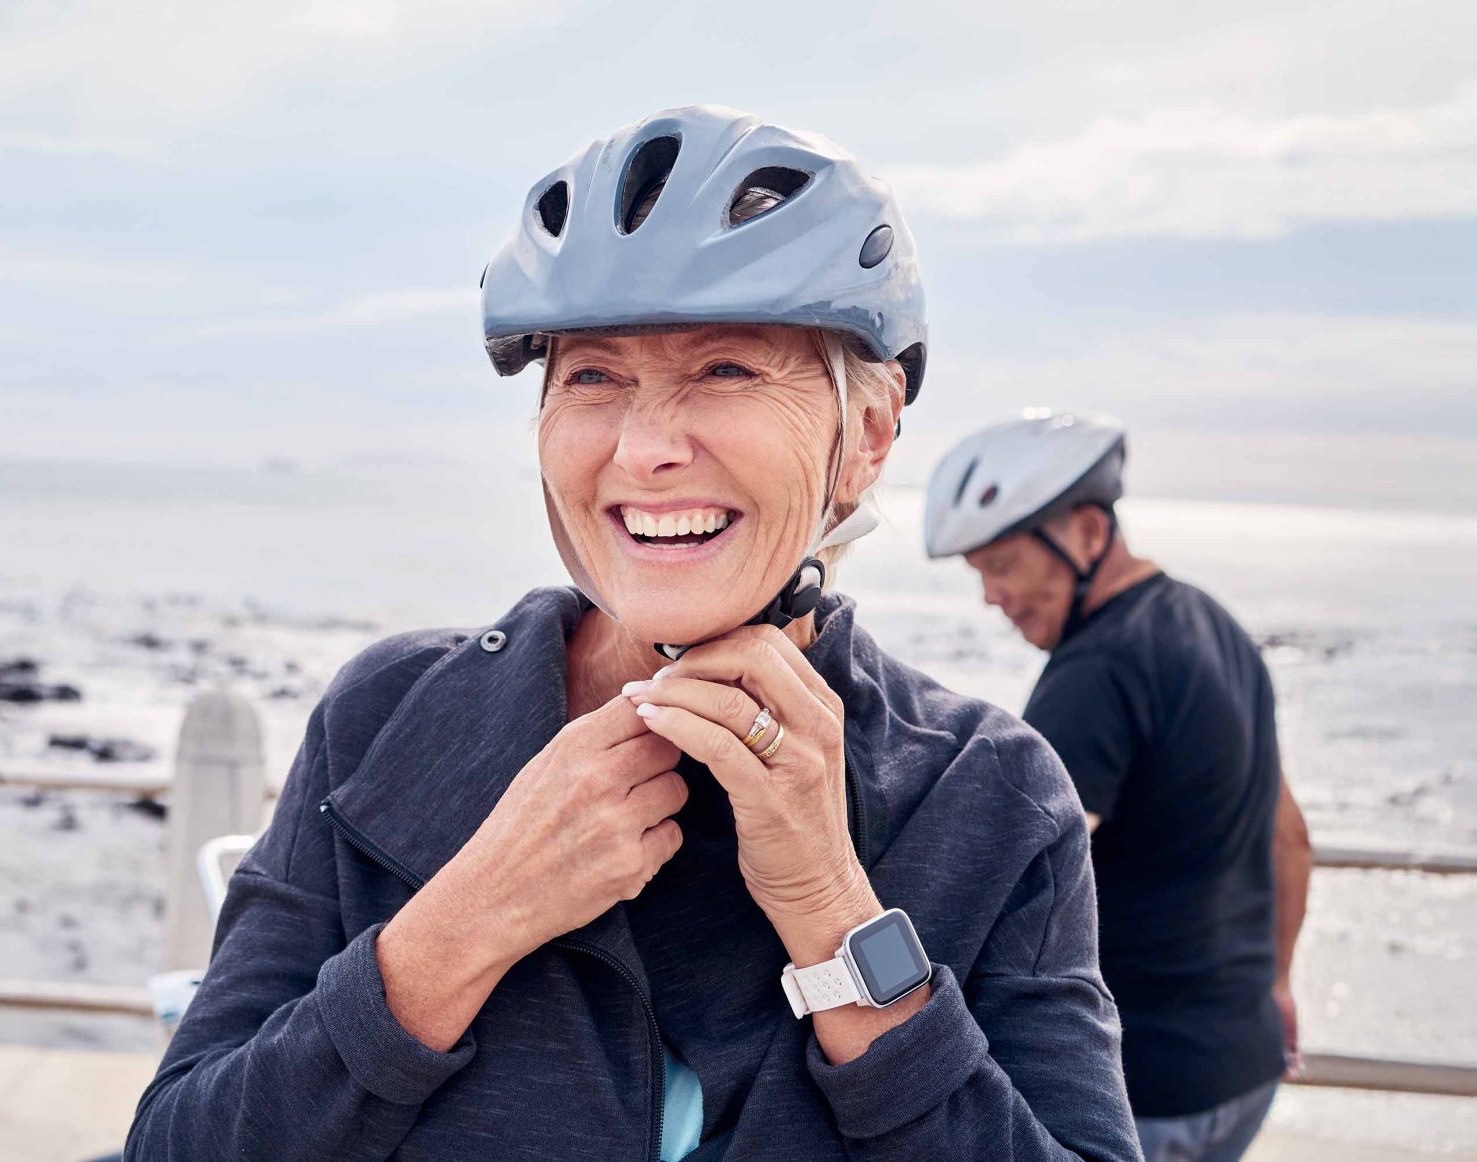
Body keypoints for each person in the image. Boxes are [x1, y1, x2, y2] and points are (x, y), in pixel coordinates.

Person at [124, 106, 1140, 1160]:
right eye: (594, 377)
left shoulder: (987, 792)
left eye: (726, 370)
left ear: (866, 435)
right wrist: (466, 916)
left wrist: (832, 910)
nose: (647, 448)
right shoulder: (386, 717)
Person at [924, 411, 1314, 1162]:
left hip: (1147, 1090)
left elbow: (1002, 878)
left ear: (1088, 534)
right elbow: (1289, 835)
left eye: (1002, 564)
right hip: (1244, 1067)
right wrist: (1281, 984)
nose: (991, 598)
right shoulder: (1215, 624)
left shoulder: (1093, 676)